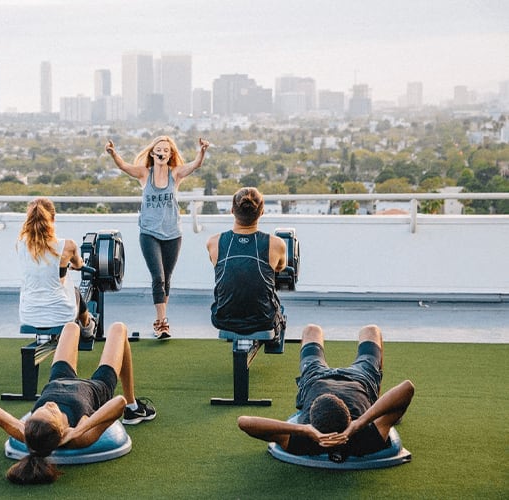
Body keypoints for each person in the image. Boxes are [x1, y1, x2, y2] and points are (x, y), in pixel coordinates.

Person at [0, 321, 156, 484]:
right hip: (97, 387)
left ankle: (87, 322)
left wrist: (18, 425)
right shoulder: (80, 436)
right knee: (118, 328)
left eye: (40, 409)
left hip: (59, 379)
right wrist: (77, 431)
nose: (49, 405)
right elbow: (118, 403)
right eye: (51, 412)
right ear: (61, 430)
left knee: (71, 327)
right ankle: (135, 408)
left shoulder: (27, 432)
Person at [237, 324, 415, 460]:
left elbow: (244, 422)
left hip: (317, 378)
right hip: (357, 379)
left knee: (312, 330)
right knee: (371, 330)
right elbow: (407, 387)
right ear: (347, 414)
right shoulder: (366, 437)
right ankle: (376, 403)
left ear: (310, 419)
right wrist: (360, 423)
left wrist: (304, 430)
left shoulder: (302, 441)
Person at [105, 136, 209, 339]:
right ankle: (161, 323)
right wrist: (113, 153)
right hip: (149, 233)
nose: (162, 152)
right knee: (158, 277)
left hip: (172, 234)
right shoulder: (145, 174)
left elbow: (195, 165)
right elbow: (125, 166)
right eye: (158, 149)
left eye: (166, 150)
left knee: (166, 279)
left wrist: (202, 151)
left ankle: (162, 318)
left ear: (170, 155)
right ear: (153, 153)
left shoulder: (175, 174)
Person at [207, 187, 287, 346]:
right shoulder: (277, 244)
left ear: (232, 210)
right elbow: (280, 268)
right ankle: (277, 336)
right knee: (280, 309)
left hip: (223, 319)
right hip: (263, 321)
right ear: (261, 212)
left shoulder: (213, 242)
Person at [18, 197, 95, 339]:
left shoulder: (21, 244)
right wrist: (75, 266)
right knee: (76, 292)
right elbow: (79, 264)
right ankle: (87, 328)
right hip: (61, 314)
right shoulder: (68, 245)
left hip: (28, 314)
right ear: (53, 218)